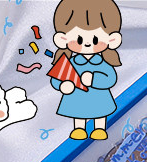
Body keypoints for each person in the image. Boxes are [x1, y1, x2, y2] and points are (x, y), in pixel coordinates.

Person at [50, 0, 122, 140]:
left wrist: (94, 79)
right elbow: (57, 77)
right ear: (63, 39)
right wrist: (62, 85)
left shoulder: (102, 63)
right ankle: (79, 128)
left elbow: (110, 78)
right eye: (79, 39)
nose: (88, 43)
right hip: (77, 97)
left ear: (111, 40)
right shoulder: (70, 63)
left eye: (95, 40)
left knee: (100, 112)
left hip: (98, 97)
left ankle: (99, 128)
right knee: (78, 113)